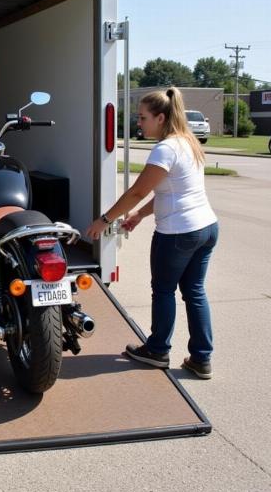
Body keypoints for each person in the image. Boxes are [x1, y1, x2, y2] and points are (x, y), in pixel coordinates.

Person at [86, 87, 218, 379]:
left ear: (160, 117)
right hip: (206, 227)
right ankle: (201, 359)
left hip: (178, 233)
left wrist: (104, 220)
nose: (139, 123)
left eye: (143, 117)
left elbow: (138, 191)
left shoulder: (165, 148)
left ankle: (157, 350)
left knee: (163, 290)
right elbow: (169, 191)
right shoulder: (188, 142)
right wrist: (140, 216)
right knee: (194, 292)